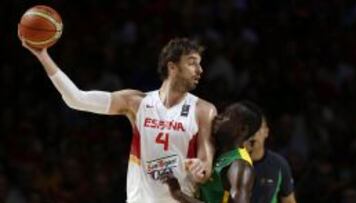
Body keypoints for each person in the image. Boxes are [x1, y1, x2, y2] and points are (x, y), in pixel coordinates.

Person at [19, 36, 217, 203]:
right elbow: (76, 99)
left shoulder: (203, 110)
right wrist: (43, 55)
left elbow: (205, 168)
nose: (200, 70)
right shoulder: (136, 102)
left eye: (200, 64)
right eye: (192, 63)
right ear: (172, 67)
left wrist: (200, 168)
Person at [164, 101, 263, 203]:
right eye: (221, 113)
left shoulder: (239, 166)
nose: (218, 117)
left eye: (226, 116)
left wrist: (179, 195)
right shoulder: (213, 150)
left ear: (242, 130)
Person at [244, 115, 297, 203]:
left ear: (266, 132)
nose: (253, 134)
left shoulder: (279, 165)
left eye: (257, 128)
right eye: (249, 128)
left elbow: (289, 200)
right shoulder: (229, 162)